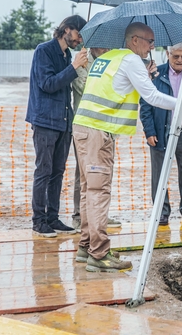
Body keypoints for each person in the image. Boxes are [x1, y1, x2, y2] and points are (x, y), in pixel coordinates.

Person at [72, 23, 182, 272]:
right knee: (99, 191)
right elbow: (152, 97)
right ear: (135, 40)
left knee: (87, 189)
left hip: (81, 127)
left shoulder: (107, 58)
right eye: (149, 41)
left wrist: (147, 74)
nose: (152, 47)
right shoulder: (131, 60)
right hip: (98, 133)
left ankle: (85, 246)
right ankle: (99, 253)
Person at [26, 15, 88, 238]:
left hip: (63, 121)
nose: (79, 40)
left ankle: (52, 217)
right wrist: (73, 67)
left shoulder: (68, 55)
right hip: (44, 120)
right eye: (78, 34)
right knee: (43, 170)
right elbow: (48, 84)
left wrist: (77, 66)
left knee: (58, 172)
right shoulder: (44, 51)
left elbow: (69, 86)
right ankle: (38, 220)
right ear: (67, 29)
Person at [140, 41, 182, 226]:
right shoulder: (156, 73)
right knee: (159, 174)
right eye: (175, 56)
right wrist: (149, 131)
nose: (179, 60)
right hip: (161, 131)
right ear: (168, 54)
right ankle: (161, 212)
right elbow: (146, 103)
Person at [71, 47, 124, 232]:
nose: (109, 48)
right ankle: (79, 217)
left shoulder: (112, 63)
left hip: (107, 126)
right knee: (84, 175)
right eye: (105, 44)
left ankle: (100, 215)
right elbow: (87, 88)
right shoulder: (82, 61)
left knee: (104, 174)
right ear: (94, 44)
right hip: (86, 127)